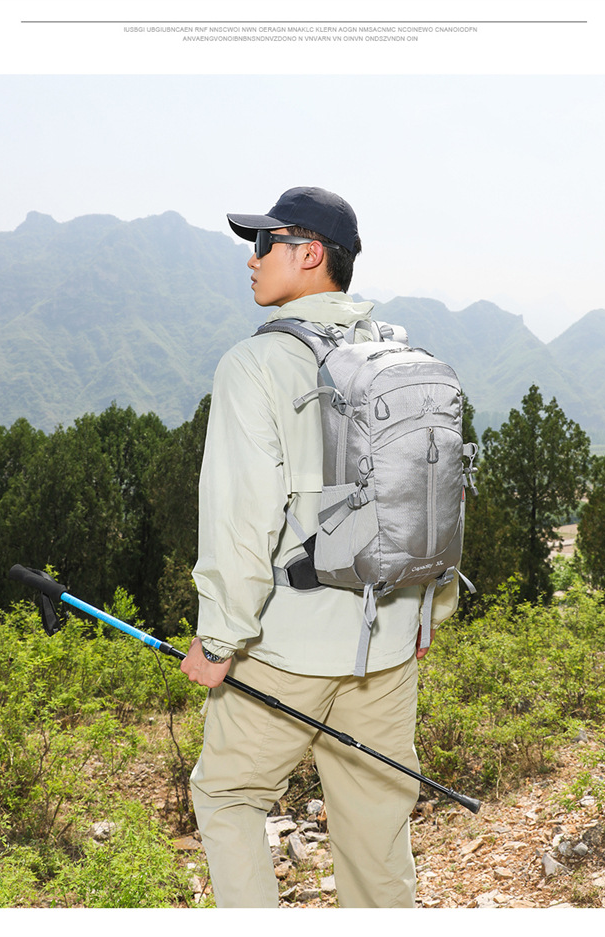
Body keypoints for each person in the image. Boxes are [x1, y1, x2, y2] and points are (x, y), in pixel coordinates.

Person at [180, 186, 458, 908]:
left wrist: (219, 638)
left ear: (309, 254)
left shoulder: (256, 364)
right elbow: (436, 492)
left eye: (263, 243)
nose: (251, 259)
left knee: (229, 797)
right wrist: (428, 612)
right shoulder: (400, 354)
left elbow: (241, 518)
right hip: (389, 642)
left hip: (286, 649)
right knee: (376, 830)